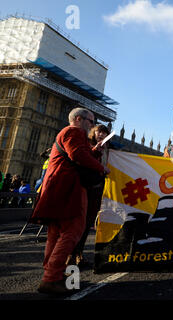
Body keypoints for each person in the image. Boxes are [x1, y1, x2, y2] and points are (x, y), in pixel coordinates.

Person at [30, 107, 110, 295]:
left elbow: (79, 154)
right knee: (73, 230)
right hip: (69, 187)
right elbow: (77, 156)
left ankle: (51, 273)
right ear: (79, 119)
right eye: (91, 121)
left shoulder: (67, 134)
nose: (91, 125)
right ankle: (51, 278)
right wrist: (102, 168)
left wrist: (95, 151)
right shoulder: (73, 131)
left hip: (56, 185)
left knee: (56, 232)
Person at [68, 124, 110, 268]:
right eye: (100, 132)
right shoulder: (86, 144)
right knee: (79, 223)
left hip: (98, 190)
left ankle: (79, 253)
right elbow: (84, 159)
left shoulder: (109, 151)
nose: (102, 135)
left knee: (87, 223)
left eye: (105, 133)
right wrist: (96, 150)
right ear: (94, 132)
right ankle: (70, 256)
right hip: (86, 188)